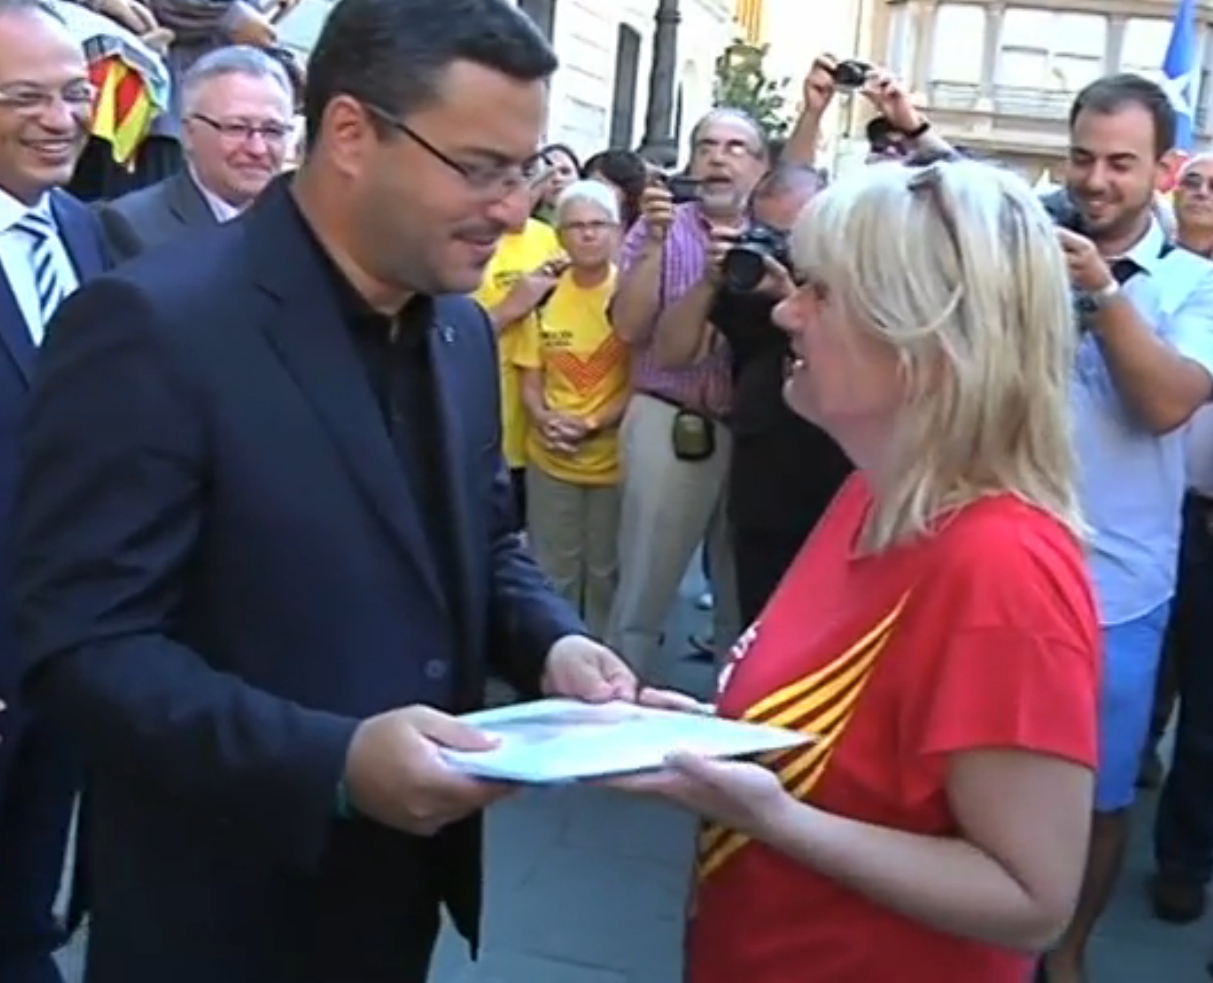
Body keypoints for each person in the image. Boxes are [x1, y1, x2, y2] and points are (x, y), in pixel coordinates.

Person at [13, 1, 652, 981]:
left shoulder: (459, 328)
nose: (511, 209)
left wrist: (553, 644)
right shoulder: (153, 323)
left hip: (399, 898)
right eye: (479, 167)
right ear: (350, 133)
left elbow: (481, 542)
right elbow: (80, 645)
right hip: (216, 911)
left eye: (523, 171)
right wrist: (332, 762)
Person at [611, 159, 1101, 982]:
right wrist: (718, 736)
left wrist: (773, 817)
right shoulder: (868, 491)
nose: (786, 310)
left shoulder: (1003, 565)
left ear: (921, 340)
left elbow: (1030, 897)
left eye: (821, 292)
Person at [1041, 75, 1213, 983]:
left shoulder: (1197, 285)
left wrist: (1103, 293)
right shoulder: (1022, 251)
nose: (1095, 180)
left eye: (1119, 162)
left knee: (1100, 792)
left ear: (1161, 170)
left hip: (1118, 591)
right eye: (1081, 158)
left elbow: (1164, 405)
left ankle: (1066, 949)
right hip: (1003, 568)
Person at [0, 2, 110, 979]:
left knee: (28, 894)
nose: (60, 118)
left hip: (65, 642)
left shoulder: (83, 229)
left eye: (75, 93)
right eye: (24, 98)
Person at [515, 179, 628, 636]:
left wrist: (593, 422)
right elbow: (530, 375)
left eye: (599, 224)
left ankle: (602, 660)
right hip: (551, 457)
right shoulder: (543, 294)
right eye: (576, 226)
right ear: (559, 234)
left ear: (617, 232)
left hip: (614, 460)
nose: (588, 234)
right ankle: (555, 655)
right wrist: (545, 419)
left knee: (606, 574)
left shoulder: (630, 296)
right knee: (552, 571)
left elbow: (640, 381)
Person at [97, 44, 293, 259]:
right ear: (189, 133)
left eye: (273, 131)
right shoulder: (134, 227)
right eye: (236, 128)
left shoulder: (301, 228)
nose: (258, 148)